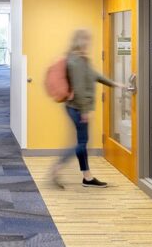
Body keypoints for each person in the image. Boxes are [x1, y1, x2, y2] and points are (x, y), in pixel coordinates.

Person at [49, 29, 124, 188]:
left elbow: (94, 75)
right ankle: (60, 168)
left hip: (75, 107)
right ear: (81, 41)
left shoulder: (81, 60)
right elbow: (79, 87)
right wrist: (84, 110)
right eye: (87, 40)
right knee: (82, 143)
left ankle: (86, 177)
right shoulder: (76, 61)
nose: (89, 44)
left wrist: (115, 84)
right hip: (77, 108)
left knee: (82, 142)